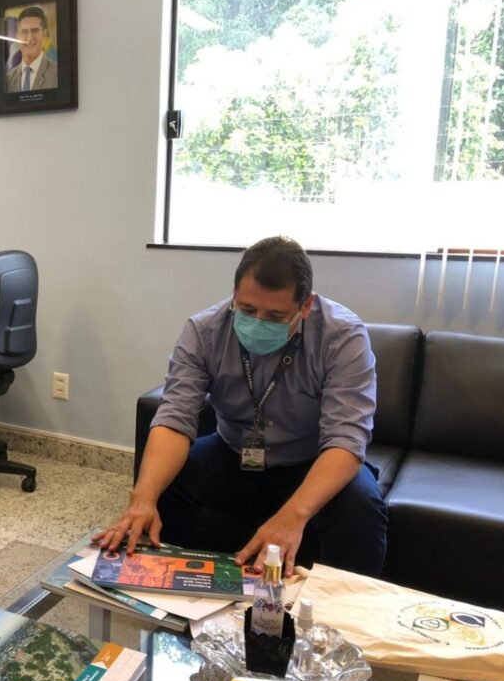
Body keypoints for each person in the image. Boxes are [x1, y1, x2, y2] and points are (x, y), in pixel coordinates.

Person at [95, 236, 388, 579]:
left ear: (305, 305)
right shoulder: (204, 331)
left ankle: (339, 606)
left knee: (361, 509)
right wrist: (143, 496)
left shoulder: (342, 336)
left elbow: (346, 439)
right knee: (164, 486)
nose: (259, 321)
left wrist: (292, 516)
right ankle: (178, 588)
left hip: (309, 459)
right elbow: (175, 417)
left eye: (275, 316)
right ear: (234, 294)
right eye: (247, 310)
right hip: (232, 451)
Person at [5, 5, 59, 93]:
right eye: (24, 32)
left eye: (35, 31)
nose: (29, 38)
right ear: (17, 36)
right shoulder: (8, 80)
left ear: (44, 34)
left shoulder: (57, 74)